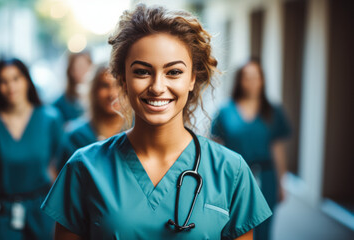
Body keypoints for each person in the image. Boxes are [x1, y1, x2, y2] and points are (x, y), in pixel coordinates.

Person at [42, 4, 272, 240]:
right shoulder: (84, 167)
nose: (158, 87)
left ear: (192, 78)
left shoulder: (230, 171)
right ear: (123, 79)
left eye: (173, 72)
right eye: (142, 72)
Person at [0, 58, 64, 240]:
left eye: (16, 78)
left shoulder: (50, 119)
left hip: (42, 213)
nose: (11, 87)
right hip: (2, 215)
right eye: (3, 81)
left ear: (27, 80)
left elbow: (60, 169)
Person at [211, 58, 291, 240]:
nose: (251, 82)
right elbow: (216, 147)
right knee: (236, 227)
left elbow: (277, 148)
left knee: (264, 228)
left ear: (262, 80)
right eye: (246, 77)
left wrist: (281, 182)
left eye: (256, 77)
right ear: (239, 80)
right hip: (235, 178)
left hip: (266, 177)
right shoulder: (225, 110)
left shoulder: (272, 110)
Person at [57, 63, 125, 171]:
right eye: (105, 86)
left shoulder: (138, 131)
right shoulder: (76, 135)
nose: (112, 93)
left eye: (118, 85)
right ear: (94, 90)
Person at [53, 51, 93, 124]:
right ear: (71, 71)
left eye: (87, 66)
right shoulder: (60, 103)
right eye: (79, 67)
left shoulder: (98, 96)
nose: (85, 71)